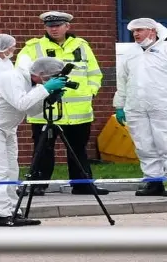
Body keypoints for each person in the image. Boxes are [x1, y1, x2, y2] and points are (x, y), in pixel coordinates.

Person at [0, 57, 69, 227]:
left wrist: (48, 96)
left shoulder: (31, 84)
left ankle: (13, 211)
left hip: (5, 127)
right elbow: (21, 104)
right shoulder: (12, 78)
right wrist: (45, 89)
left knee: (11, 170)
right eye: (51, 77)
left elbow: (31, 109)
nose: (51, 81)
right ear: (41, 74)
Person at [15, 11, 107, 196]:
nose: (54, 29)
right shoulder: (33, 47)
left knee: (78, 150)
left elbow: (94, 73)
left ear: (67, 26)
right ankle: (37, 185)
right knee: (43, 150)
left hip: (78, 111)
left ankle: (82, 185)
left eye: (58, 25)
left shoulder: (81, 46)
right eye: (50, 26)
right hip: (45, 108)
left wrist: (91, 91)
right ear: (45, 28)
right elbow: (22, 73)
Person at [113, 17, 167, 197]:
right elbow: (122, 81)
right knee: (144, 146)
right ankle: (153, 181)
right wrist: (119, 105)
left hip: (165, 107)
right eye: (134, 32)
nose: (136, 34)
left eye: (139, 30)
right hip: (136, 108)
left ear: (152, 31)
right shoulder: (130, 53)